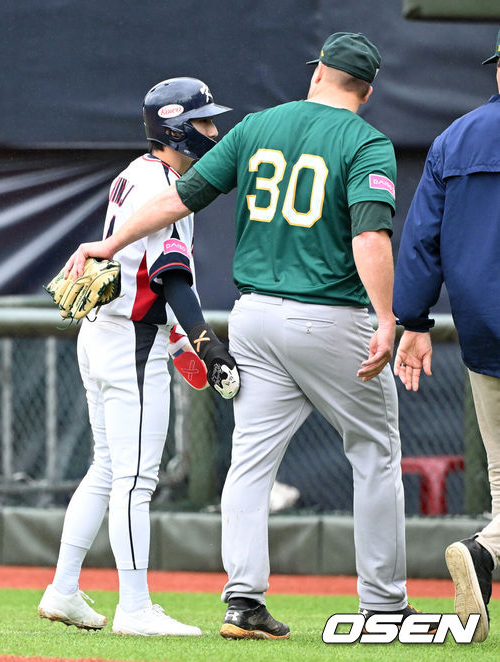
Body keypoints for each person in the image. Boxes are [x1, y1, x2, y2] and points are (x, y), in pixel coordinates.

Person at [63, 32, 436, 639]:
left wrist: (107, 242)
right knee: (374, 453)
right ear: (365, 91)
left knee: (251, 464)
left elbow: (180, 199)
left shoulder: (259, 126)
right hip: (330, 317)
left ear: (318, 74)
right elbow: (370, 238)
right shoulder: (367, 142)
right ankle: (383, 605)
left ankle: (242, 599)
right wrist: (389, 318)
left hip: (255, 317)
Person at [38, 77, 239, 637]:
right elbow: (171, 277)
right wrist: (201, 338)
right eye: (202, 122)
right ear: (173, 127)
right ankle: (134, 607)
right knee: (135, 480)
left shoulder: (137, 171)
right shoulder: (167, 184)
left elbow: (149, 270)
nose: (213, 130)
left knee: (106, 468)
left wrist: (180, 340)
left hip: (103, 332)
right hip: (131, 339)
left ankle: (63, 589)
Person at [393, 29, 500, 643]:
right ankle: (484, 553)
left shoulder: (454, 138)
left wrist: (412, 320)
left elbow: (422, 239)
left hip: (484, 332)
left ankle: (484, 561)